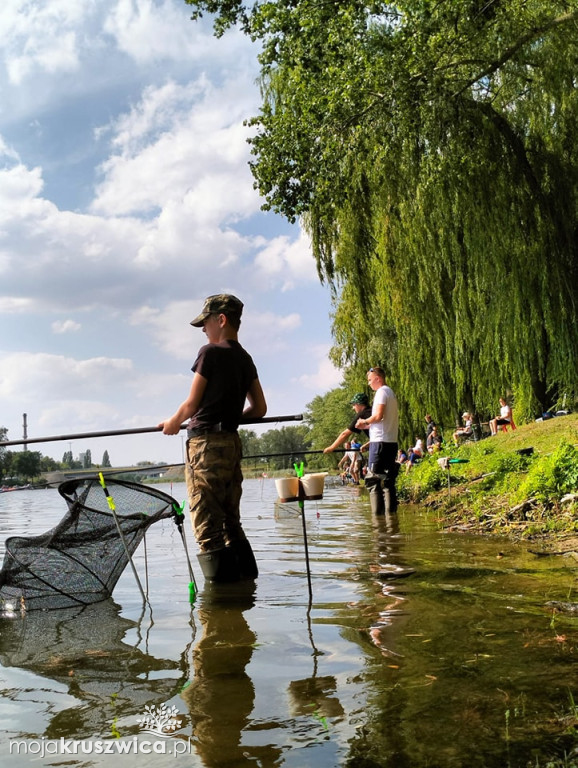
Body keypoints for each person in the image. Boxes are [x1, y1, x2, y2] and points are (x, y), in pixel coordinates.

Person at [158, 294, 267, 583]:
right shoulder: (245, 358)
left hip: (204, 447)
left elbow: (191, 404)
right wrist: (229, 419)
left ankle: (222, 607)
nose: (204, 330)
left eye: (206, 323)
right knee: (232, 522)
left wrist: (172, 422)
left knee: (207, 528)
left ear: (221, 320)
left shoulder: (210, 352)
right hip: (231, 444)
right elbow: (260, 408)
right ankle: (246, 587)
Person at [355, 367, 399, 515]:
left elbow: (378, 416)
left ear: (378, 379)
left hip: (380, 443)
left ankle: (378, 525)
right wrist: (369, 429)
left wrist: (363, 422)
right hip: (391, 442)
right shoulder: (391, 392)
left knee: (373, 480)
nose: (369, 384)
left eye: (369, 380)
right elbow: (383, 421)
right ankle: (391, 520)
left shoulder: (381, 392)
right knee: (388, 481)